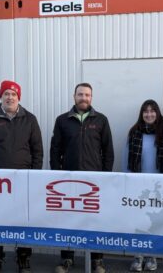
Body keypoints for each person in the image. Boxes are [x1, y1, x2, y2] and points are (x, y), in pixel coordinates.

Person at [0, 80, 43, 273]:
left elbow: (37, 151)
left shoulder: (30, 119)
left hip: (23, 181)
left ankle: (23, 258)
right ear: (0, 97)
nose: (10, 97)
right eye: (6, 94)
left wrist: (34, 177)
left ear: (18, 97)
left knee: (24, 220)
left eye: (13, 94)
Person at [50, 82, 114, 273]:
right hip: (68, 181)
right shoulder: (62, 120)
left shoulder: (101, 120)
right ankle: (67, 259)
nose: (83, 98)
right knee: (67, 219)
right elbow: (55, 151)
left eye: (87, 95)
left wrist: (105, 177)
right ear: (74, 96)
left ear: (91, 98)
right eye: (80, 94)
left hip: (94, 181)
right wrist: (57, 175)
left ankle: (97, 260)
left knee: (95, 220)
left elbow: (108, 151)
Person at [122, 99, 163, 272]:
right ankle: (138, 256)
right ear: (141, 114)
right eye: (145, 111)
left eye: (152, 111)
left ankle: (152, 256)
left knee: (154, 223)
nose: (149, 114)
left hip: (159, 188)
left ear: (157, 113)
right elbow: (126, 160)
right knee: (138, 222)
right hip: (138, 187)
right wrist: (128, 181)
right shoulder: (133, 133)